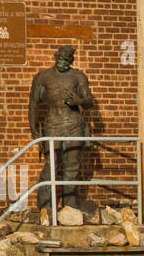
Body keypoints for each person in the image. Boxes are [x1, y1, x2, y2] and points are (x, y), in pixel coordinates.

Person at [28, 45, 96, 211]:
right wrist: (35, 131)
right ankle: (45, 207)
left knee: (72, 167)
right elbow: (33, 105)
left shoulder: (78, 76)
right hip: (52, 124)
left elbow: (89, 101)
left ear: (71, 61)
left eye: (67, 60)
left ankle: (69, 208)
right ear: (55, 57)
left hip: (74, 124)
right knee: (50, 166)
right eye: (61, 59)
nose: (63, 63)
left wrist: (78, 101)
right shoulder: (43, 77)